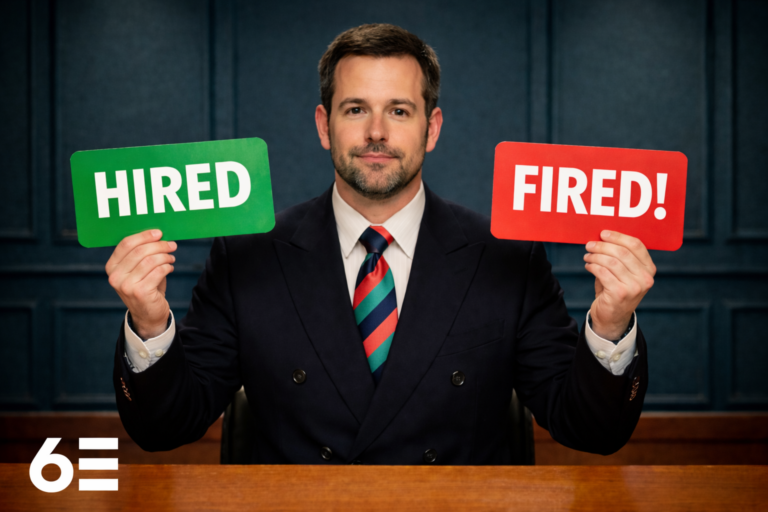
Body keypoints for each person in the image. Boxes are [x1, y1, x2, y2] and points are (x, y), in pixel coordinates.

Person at [107, 24, 654, 464]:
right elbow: (166, 429)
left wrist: (610, 323)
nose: (376, 132)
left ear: (431, 128)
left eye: (398, 110)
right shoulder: (247, 255)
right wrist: (150, 321)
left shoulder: (507, 257)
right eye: (354, 109)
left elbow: (589, 432)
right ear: (324, 126)